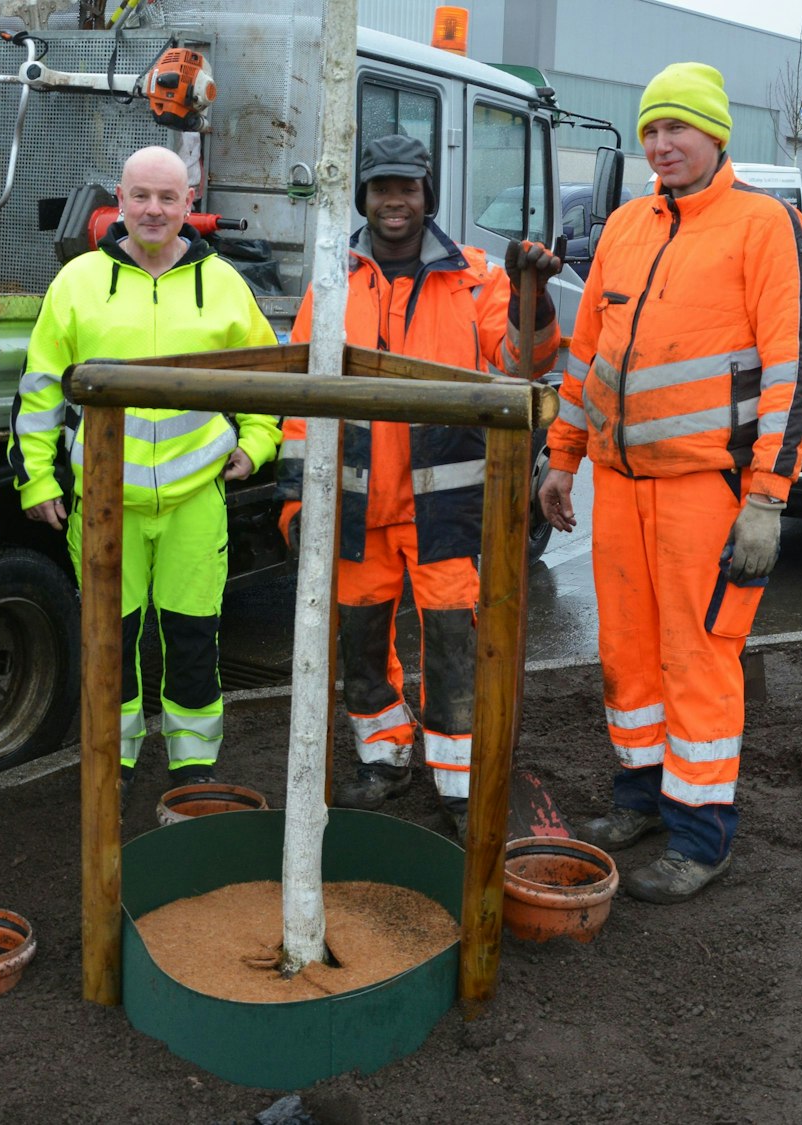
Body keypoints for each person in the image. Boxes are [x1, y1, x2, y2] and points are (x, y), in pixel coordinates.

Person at [535, 61, 802, 902]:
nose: (662, 145)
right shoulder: (624, 226)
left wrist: (767, 498)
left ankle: (702, 834)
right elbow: (586, 359)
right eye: (651, 130)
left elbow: (793, 372)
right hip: (620, 488)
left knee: (698, 659)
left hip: (709, 489)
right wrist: (563, 457)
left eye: (678, 129)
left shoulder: (766, 227)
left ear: (717, 134)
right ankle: (641, 802)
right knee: (628, 654)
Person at [275, 133, 561, 837]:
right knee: (362, 646)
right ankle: (385, 759)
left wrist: (535, 296)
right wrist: (292, 501)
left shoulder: (476, 277)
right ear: (364, 197)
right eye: (381, 188)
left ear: (427, 195)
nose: (394, 201)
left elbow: (524, 360)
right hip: (357, 506)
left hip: (446, 508)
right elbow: (303, 402)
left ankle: (459, 785)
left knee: (455, 648)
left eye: (406, 188)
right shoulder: (334, 282)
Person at [13, 145, 280, 793]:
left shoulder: (223, 285)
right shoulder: (75, 283)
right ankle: (114, 765)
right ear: (120, 201)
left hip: (196, 500)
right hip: (106, 500)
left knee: (192, 643)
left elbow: (268, 379)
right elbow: (42, 387)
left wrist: (258, 443)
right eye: (141, 196)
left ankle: (194, 772)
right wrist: (39, 479)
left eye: (168, 197)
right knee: (111, 647)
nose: (154, 210)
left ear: (190, 204)